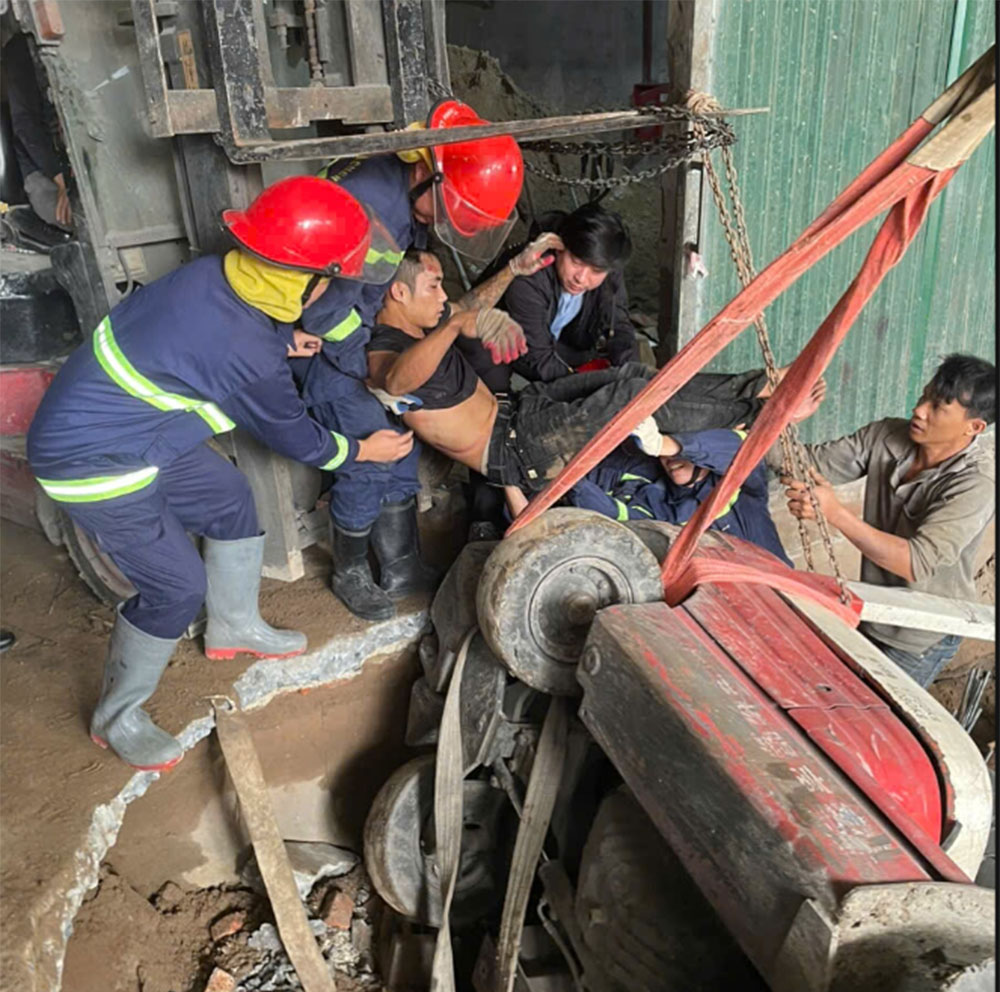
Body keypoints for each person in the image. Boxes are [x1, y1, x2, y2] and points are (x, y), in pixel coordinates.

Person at [27, 176, 412, 772]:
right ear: (302, 280)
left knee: (230, 497)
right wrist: (363, 451)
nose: (331, 291)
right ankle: (116, 717)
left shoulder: (215, 278)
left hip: (134, 428)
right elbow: (295, 436)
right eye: (329, 280)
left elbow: (222, 340)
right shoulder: (247, 352)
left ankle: (233, 626)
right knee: (177, 588)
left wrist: (283, 339)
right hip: (91, 461)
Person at [292, 97, 538, 621]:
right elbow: (322, 313)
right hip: (325, 348)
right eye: (453, 211)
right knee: (371, 454)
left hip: (366, 333)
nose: (452, 224)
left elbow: (401, 288)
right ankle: (350, 572)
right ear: (429, 176)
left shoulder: (406, 192)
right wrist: (374, 374)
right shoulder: (370, 211)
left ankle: (401, 565)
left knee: (401, 448)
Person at [367, 249, 822, 519]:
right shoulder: (384, 356)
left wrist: (513, 270)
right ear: (398, 293)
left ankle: (757, 385)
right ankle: (764, 411)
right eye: (433, 287)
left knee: (634, 376)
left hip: (522, 412)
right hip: (519, 450)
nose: (443, 296)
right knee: (634, 400)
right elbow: (397, 381)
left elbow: (464, 306)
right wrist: (454, 326)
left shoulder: (419, 323)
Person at [784, 353, 995, 688]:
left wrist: (834, 512)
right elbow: (806, 464)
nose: (919, 410)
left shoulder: (976, 482)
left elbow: (915, 562)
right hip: (872, 611)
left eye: (937, 407)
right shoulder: (886, 435)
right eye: (924, 396)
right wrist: (782, 417)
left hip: (921, 636)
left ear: (974, 427)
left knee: (868, 713)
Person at [457, 203, 639, 393]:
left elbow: (620, 326)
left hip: (554, 339)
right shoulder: (530, 274)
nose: (581, 278)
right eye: (576, 262)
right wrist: (584, 388)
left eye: (596, 271)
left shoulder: (606, 266)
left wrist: (633, 379)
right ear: (559, 247)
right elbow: (538, 357)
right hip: (503, 344)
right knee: (495, 391)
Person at [567, 421, 793, 565]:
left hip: (782, 596)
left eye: (676, 449)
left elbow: (740, 446)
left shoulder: (742, 488)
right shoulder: (659, 500)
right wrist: (572, 480)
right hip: (718, 610)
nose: (668, 459)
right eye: (661, 454)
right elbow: (620, 516)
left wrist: (665, 444)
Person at [1, 29, 73, 239]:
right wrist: (63, 183)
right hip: (45, 172)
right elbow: (26, 126)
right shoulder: (21, 50)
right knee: (74, 216)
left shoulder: (80, 40)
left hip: (83, 162)